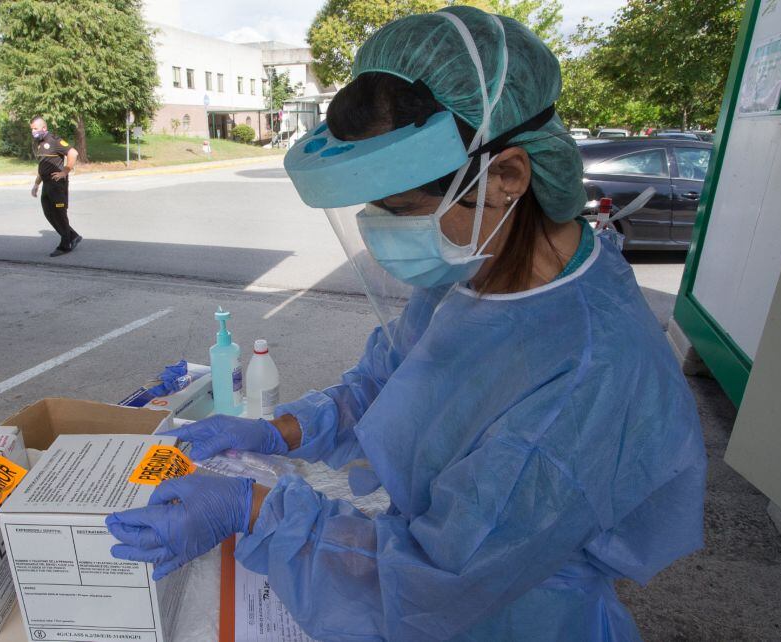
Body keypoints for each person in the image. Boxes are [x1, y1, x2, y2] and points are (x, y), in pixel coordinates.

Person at [106, 8, 707, 641]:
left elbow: (439, 577)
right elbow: (391, 383)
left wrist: (251, 508)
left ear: (506, 176)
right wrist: (276, 432)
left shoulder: (591, 369)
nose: (383, 230)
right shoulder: (480, 264)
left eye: (401, 208)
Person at [30, 117, 81, 257]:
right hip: (47, 185)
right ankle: (73, 236)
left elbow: (73, 153)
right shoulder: (40, 143)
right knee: (49, 213)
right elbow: (43, 166)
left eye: (35, 128)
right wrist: (36, 184)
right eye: (32, 129)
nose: (33, 131)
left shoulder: (54, 140)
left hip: (57, 185)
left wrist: (65, 171)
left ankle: (66, 244)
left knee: (59, 213)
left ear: (44, 128)